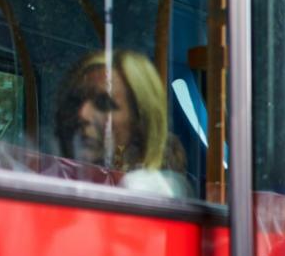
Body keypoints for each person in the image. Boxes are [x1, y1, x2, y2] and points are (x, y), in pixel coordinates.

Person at [53, 49, 187, 195]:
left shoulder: (141, 190)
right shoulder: (61, 177)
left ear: (139, 122)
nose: (82, 114)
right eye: (76, 101)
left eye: (104, 103)